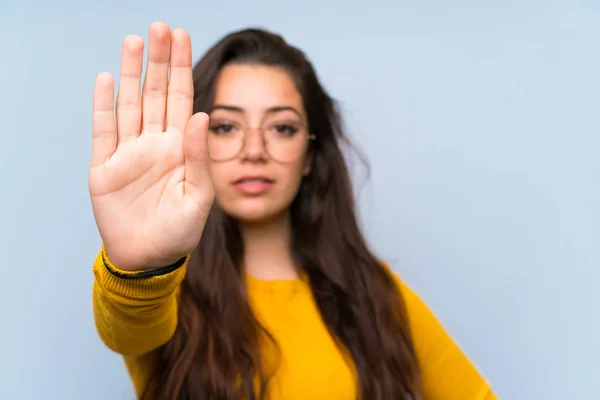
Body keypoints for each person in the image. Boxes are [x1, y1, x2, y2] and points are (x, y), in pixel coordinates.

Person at [89, 20, 497, 400]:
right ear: (192, 141)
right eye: (225, 127)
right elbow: (127, 331)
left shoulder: (374, 293)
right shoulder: (161, 286)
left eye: (282, 128)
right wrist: (141, 268)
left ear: (309, 154)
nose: (254, 151)